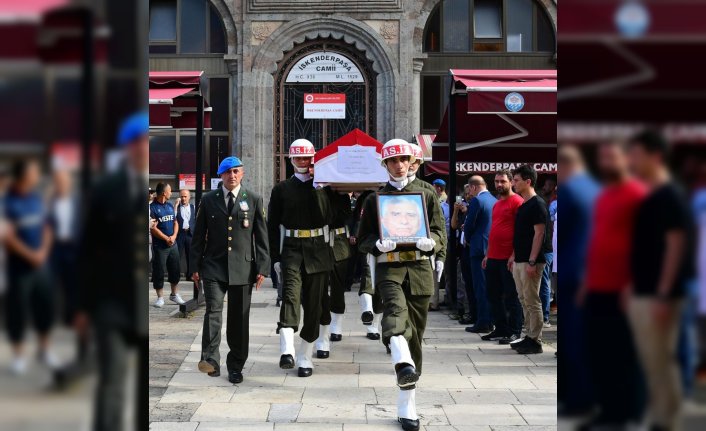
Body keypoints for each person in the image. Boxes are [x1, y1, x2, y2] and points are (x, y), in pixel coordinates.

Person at [358, 139, 446, 431]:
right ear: (385, 165)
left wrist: (432, 242)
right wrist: (376, 244)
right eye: (392, 161)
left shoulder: (427, 193)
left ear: (412, 161)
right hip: (390, 269)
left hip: (419, 269)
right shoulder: (375, 199)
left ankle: (407, 403)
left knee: (416, 337)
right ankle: (402, 366)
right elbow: (364, 238)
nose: (398, 165)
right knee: (395, 317)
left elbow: (439, 230)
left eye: (403, 159)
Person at [77, 111, 150, 431]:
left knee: (143, 388)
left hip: (141, 304)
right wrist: (81, 306)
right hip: (111, 303)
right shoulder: (106, 190)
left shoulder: (154, 190)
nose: (143, 148)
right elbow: (87, 251)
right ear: (126, 147)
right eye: (137, 142)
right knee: (113, 383)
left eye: (148, 141)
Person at [576, 141, 647, 429]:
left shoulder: (637, 194)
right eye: (602, 158)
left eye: (612, 158)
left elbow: (647, 243)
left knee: (625, 352)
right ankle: (608, 409)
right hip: (597, 286)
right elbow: (597, 240)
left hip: (624, 288)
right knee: (600, 351)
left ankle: (629, 412)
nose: (607, 163)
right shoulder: (604, 196)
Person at [628, 131, 694, 430]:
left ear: (655, 156)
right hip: (644, 289)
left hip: (660, 292)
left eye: (636, 154)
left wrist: (664, 293)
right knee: (649, 360)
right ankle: (658, 414)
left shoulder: (669, 195)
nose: (631, 160)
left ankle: (667, 420)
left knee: (661, 361)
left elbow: (676, 244)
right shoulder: (650, 194)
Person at [191, 156, 269, 384]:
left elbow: (261, 237)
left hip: (243, 268)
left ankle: (235, 365)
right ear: (221, 176)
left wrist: (262, 267)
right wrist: (194, 266)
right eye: (227, 172)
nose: (232, 176)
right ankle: (211, 360)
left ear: (242, 174)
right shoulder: (208, 200)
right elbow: (198, 236)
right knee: (213, 312)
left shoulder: (253, 199)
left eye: (236, 171)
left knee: (239, 320)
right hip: (213, 266)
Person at [269, 138, 334, 378]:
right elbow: (272, 224)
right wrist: (275, 257)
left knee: (314, 306)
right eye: (298, 158)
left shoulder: (324, 188)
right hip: (293, 249)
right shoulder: (281, 189)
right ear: (291, 159)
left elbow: (329, 217)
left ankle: (305, 356)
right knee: (290, 297)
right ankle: (287, 351)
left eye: (307, 158)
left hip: (318, 250)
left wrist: (318, 186)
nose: (303, 162)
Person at [4, 159, 59, 374]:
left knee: (45, 306)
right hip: (19, 268)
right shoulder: (7, 202)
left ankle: (44, 349)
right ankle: (18, 355)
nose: (37, 175)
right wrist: (30, 255)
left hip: (41, 265)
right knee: (18, 310)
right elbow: (7, 237)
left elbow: (46, 227)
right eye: (34, 171)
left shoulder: (36, 199)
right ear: (23, 175)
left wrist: (42, 253)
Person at [557, 145, 600, 414]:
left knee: (573, 338)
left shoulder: (572, 191)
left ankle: (578, 399)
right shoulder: (595, 190)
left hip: (574, 273)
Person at [508, 164, 552, 355]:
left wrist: (533, 261)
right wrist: (513, 255)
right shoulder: (524, 205)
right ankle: (529, 336)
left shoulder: (537, 204)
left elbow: (539, 233)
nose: (513, 184)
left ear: (528, 181)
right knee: (523, 298)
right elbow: (521, 235)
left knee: (532, 300)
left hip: (531, 260)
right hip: (521, 259)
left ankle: (535, 340)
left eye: (516, 180)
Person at [479, 170, 524, 345]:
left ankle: (514, 331)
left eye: (502, 181)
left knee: (512, 296)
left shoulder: (517, 202)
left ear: (511, 182)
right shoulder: (497, 204)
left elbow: (520, 232)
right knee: (493, 295)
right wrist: (487, 254)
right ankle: (501, 328)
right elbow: (494, 230)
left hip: (508, 258)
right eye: (497, 181)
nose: (499, 185)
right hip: (493, 257)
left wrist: (514, 254)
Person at [315, 174, 352, 357]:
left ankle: (337, 321)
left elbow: (342, 217)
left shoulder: (342, 195)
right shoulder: (316, 192)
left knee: (338, 285)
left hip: (338, 241)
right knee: (321, 287)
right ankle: (324, 325)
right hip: (319, 241)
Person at [463, 175, 497, 334]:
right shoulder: (494, 200)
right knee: (490, 286)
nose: (469, 192)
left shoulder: (477, 201)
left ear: (473, 187)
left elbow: (469, 225)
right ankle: (491, 319)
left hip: (478, 248)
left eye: (469, 188)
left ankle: (483, 321)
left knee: (480, 286)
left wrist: (468, 239)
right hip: (491, 247)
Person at [352, 189, 385, 341]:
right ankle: (369, 314)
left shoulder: (389, 194)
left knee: (378, 285)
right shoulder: (367, 198)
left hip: (386, 246)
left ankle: (373, 324)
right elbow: (359, 219)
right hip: (371, 244)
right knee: (368, 278)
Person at [149, 183, 185, 307]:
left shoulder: (170, 206)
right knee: (159, 271)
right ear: (164, 193)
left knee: (175, 269)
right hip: (160, 246)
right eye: (170, 191)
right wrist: (165, 238)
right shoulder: (151, 208)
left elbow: (175, 222)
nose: (171, 193)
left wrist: (174, 236)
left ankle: (174, 295)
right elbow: (153, 228)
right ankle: (160, 298)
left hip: (173, 244)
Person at [449, 184, 473, 323]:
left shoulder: (473, 207)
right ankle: (462, 309)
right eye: (466, 193)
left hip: (471, 248)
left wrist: (466, 209)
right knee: (462, 280)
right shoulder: (464, 209)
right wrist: (456, 211)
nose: (467, 195)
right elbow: (454, 225)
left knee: (469, 281)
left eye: (469, 191)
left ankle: (469, 310)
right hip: (462, 248)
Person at [175, 189, 196, 284]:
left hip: (190, 234)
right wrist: (175, 206)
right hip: (180, 234)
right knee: (176, 255)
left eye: (185, 196)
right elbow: (173, 218)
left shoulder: (193, 207)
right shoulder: (176, 208)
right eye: (182, 196)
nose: (183, 198)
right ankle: (175, 275)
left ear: (189, 197)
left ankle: (190, 275)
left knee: (191, 255)